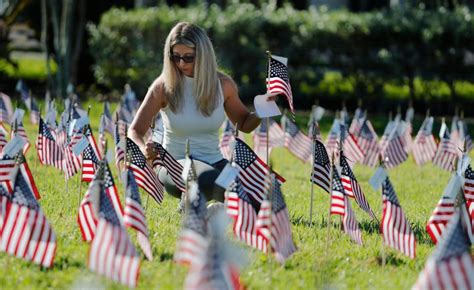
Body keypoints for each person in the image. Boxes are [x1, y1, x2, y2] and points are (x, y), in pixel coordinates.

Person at [129, 22, 263, 203]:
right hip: (174, 164)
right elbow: (135, 130)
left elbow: (245, 123)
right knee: (208, 179)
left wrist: (263, 110)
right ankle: (194, 202)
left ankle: (202, 201)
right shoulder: (163, 86)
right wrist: (143, 148)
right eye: (175, 57)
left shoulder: (223, 85)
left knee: (260, 196)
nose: (181, 63)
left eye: (188, 57)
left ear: (203, 56)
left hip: (215, 162)